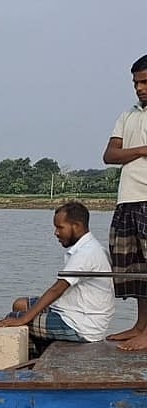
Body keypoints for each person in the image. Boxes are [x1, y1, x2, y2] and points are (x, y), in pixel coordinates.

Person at [0, 202, 114, 350]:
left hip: (80, 325)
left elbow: (57, 289)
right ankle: (41, 349)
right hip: (72, 309)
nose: (56, 233)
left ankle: (37, 359)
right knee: (20, 304)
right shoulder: (90, 247)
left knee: (13, 318)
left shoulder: (86, 254)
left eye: (60, 227)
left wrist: (24, 318)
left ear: (76, 226)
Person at [102, 54, 147, 351]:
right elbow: (110, 155)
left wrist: (129, 151)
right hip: (127, 199)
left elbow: (120, 153)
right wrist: (143, 149)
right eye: (135, 83)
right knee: (134, 268)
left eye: (145, 82)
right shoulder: (128, 115)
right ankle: (140, 324)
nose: (139, 88)